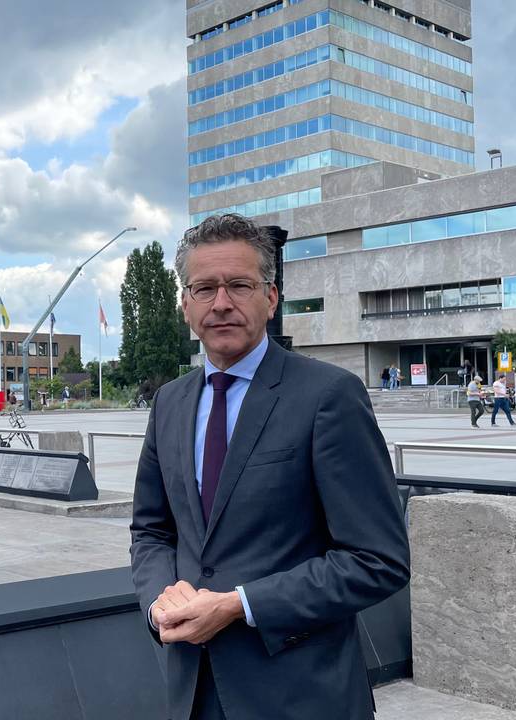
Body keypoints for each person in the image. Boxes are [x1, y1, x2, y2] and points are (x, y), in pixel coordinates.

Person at [130, 213, 409, 720]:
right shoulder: (169, 403)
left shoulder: (328, 396)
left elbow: (378, 560)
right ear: (186, 305)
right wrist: (157, 604)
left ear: (271, 297)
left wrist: (239, 603)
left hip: (300, 695)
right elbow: (151, 530)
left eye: (239, 285)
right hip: (192, 692)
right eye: (205, 288)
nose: (222, 303)